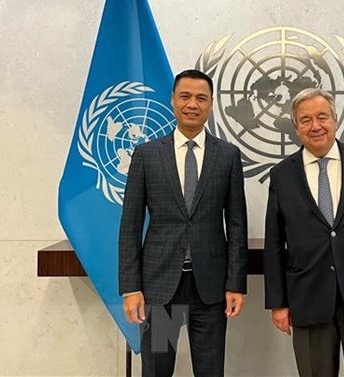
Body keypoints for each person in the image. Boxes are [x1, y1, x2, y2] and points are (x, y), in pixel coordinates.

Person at [119, 69, 248, 377]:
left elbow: (237, 224)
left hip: (210, 289)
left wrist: (235, 283)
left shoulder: (227, 155)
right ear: (173, 100)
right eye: (185, 96)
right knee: (158, 368)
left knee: (210, 369)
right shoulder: (148, 155)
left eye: (201, 98)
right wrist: (131, 287)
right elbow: (130, 224)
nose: (193, 104)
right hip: (161, 289)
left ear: (211, 104)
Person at [264, 88, 344, 376]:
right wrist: (278, 302)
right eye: (305, 119)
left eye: (322, 116)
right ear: (296, 128)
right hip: (307, 295)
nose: (315, 126)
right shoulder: (282, 174)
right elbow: (275, 241)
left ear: (335, 120)